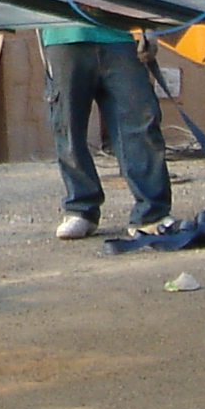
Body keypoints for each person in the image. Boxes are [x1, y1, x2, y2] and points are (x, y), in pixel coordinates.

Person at [41, 17, 174, 241]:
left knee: (140, 123)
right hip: (63, 35)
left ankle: (152, 214)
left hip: (122, 35)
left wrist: (148, 26)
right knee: (68, 126)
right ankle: (81, 208)